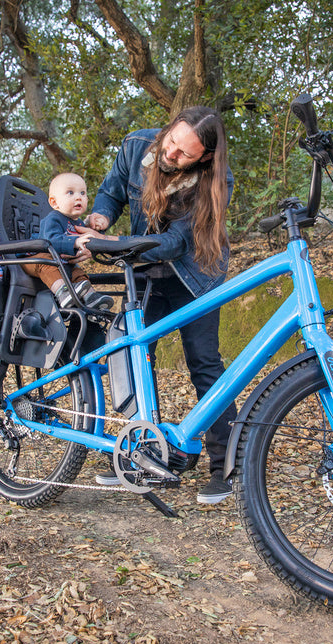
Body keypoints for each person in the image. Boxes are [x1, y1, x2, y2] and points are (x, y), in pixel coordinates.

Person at [81, 105, 237, 504]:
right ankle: (141, 455)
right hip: (146, 273)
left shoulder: (217, 181)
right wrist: (100, 218)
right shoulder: (136, 145)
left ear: (204, 157)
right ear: (168, 130)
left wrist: (119, 246)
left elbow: (175, 243)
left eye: (184, 154)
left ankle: (227, 467)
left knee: (204, 361)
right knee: (135, 359)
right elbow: (113, 190)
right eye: (171, 143)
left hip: (194, 274)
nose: (172, 155)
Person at [21, 172, 114, 311]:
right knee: (47, 263)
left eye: (82, 193)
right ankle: (63, 293)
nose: (79, 197)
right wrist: (75, 242)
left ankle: (90, 297)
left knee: (77, 271)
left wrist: (93, 227)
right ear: (54, 202)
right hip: (34, 259)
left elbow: (87, 238)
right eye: (70, 192)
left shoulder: (77, 222)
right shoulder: (53, 218)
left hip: (61, 262)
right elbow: (50, 241)